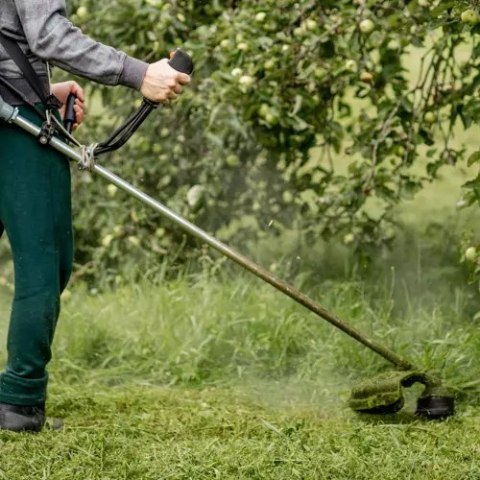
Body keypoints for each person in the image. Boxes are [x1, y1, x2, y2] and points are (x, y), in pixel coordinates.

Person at [0, 0, 191, 432]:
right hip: (11, 125)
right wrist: (140, 72)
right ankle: (19, 402)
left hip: (11, 104)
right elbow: (48, 34)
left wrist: (41, 87)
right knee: (45, 264)